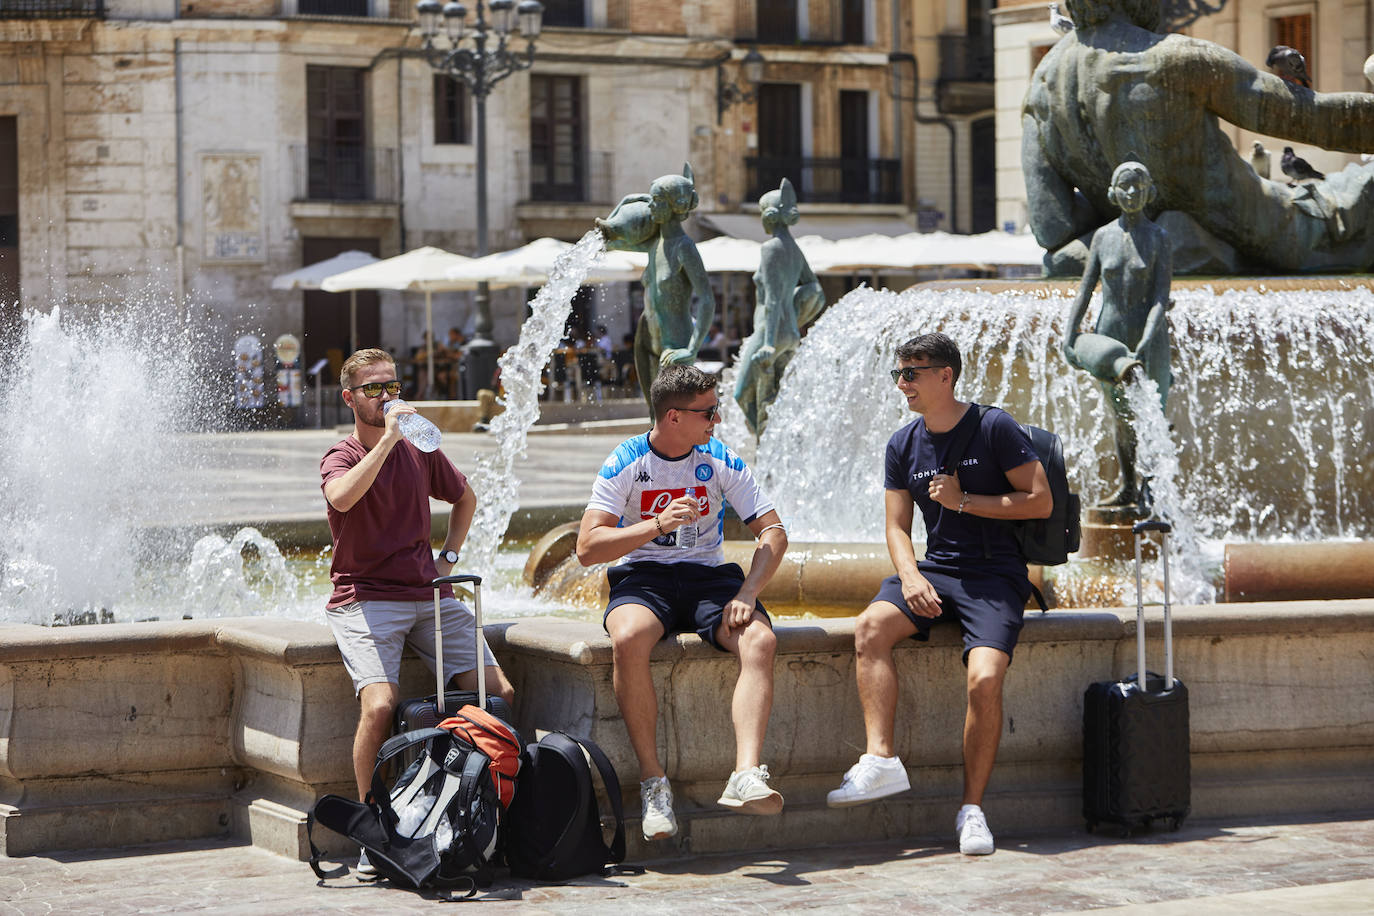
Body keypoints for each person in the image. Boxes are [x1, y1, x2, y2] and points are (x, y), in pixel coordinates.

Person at [827, 333, 1051, 856]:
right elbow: (896, 527)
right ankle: (881, 761)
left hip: (997, 576)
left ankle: (971, 810)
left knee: (986, 678)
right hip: (937, 571)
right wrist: (909, 576)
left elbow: (1039, 501)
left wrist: (965, 499)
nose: (902, 383)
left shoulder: (993, 426)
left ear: (945, 376)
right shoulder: (903, 443)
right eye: (899, 373)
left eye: (912, 372)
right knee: (870, 628)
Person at [575, 364, 789, 841]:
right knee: (628, 637)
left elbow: (773, 532)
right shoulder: (627, 460)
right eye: (708, 412)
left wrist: (748, 592)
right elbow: (588, 547)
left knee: (759, 640)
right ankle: (655, 786)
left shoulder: (718, 457)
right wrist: (657, 525)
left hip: (710, 578)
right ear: (674, 417)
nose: (715, 421)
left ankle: (746, 774)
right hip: (644, 576)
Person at [320, 348, 514, 869]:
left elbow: (465, 498)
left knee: (497, 692)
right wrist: (387, 438)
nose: (387, 397)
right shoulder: (340, 455)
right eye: (374, 389)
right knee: (381, 705)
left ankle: (467, 808)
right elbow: (341, 499)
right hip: (363, 597)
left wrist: (447, 559)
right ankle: (372, 831)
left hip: (426, 593)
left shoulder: (420, 448)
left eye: (393, 386)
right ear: (350, 398)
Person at [1022, 0, 1374, 272]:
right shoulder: (1177, 59)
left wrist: (1123, 215)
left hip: (1142, 242)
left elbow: (1051, 226)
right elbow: (1314, 118)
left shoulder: (1039, 88)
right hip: (1266, 234)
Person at [1062, 161, 1172, 507]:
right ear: (1113, 192)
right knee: (1121, 416)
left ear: (1149, 191)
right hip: (1109, 336)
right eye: (1125, 186)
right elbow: (1085, 289)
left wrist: (1147, 338)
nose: (1131, 193)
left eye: (1139, 186)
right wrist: (1070, 334)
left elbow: (1159, 298)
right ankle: (1128, 486)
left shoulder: (1159, 238)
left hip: (1149, 336)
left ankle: (1151, 489)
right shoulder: (1103, 237)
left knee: (1153, 413)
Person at [596, 164, 716, 410]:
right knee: (655, 416)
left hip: (675, 344)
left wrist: (691, 348)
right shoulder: (654, 244)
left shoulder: (684, 247)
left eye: (657, 200)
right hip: (647, 337)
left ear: (675, 206)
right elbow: (608, 238)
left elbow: (707, 298)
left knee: (678, 419)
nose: (650, 205)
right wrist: (628, 201)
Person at [732, 177, 827, 437]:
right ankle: (781, 447)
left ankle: (767, 449)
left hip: (769, 335)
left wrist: (768, 343)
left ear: (770, 215)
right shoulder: (795, 249)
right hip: (791, 335)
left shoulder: (771, 248)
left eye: (762, 213)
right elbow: (816, 291)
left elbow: (772, 300)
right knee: (776, 401)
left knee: (742, 395)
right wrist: (796, 315)